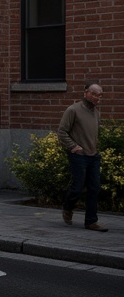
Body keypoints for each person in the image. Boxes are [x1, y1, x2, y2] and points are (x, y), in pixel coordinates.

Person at [59, 83, 108, 232]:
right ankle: (68, 207)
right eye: (95, 95)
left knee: (94, 188)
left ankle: (91, 222)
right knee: (78, 187)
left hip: (93, 156)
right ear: (86, 92)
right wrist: (74, 147)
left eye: (100, 96)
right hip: (79, 155)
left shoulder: (96, 113)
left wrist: (95, 149)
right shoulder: (73, 110)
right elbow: (62, 132)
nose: (97, 98)